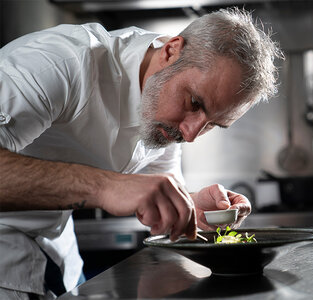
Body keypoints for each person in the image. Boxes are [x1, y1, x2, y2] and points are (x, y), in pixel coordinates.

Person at [0, 7, 281, 299]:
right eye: (195, 103)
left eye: (213, 124)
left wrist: (191, 207)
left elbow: (161, 194)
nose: (191, 134)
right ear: (171, 51)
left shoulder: (166, 112)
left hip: (59, 261)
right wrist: (105, 186)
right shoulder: (60, 63)